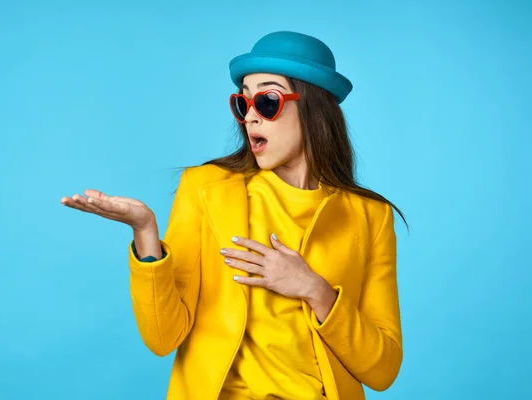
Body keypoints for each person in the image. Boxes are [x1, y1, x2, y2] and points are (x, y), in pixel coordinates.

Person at [61, 31, 405, 400]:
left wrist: (315, 289)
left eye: (267, 101)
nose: (251, 117)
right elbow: (163, 338)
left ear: (313, 108)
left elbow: (382, 370)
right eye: (243, 103)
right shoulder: (207, 189)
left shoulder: (371, 216)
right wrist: (145, 234)